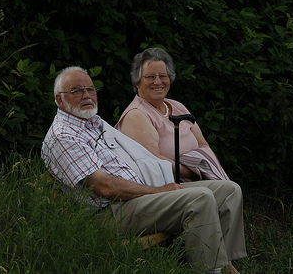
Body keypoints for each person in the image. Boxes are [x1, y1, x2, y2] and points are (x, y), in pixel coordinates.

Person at [41, 66, 246, 274]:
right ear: (60, 99)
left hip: (137, 196)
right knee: (199, 198)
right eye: (77, 91)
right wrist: (159, 190)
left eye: (90, 90)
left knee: (228, 190)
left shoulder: (93, 122)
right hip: (111, 213)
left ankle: (224, 263)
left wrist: (157, 183)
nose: (87, 95)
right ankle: (210, 270)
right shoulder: (64, 136)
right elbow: (104, 187)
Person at [116, 48, 229, 182]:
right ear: (137, 82)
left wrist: (199, 169)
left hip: (198, 178)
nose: (158, 82)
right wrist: (193, 171)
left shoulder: (177, 107)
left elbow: (203, 145)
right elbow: (152, 160)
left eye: (163, 76)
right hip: (169, 184)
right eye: (150, 77)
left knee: (232, 189)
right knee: (229, 190)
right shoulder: (136, 115)